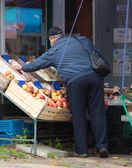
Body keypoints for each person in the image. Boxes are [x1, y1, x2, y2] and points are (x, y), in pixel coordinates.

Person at [16, 26, 109, 158]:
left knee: (79, 115)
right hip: (95, 77)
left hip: (76, 81)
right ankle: (102, 146)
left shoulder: (54, 50)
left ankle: (82, 151)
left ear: (52, 39)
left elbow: (38, 64)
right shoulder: (82, 39)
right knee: (97, 112)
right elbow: (97, 54)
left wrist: (23, 67)